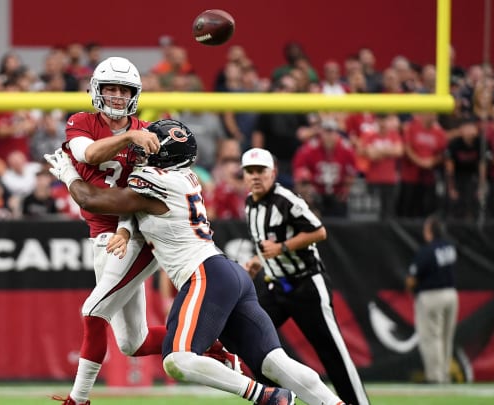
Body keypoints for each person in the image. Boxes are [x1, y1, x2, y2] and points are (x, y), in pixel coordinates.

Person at [45, 119, 346, 405]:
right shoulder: (185, 178)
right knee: (276, 363)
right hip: (228, 273)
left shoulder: (153, 181)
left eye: (151, 149)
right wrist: (125, 229)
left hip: (205, 276)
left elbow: (93, 201)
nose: (141, 153)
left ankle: (267, 397)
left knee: (177, 359)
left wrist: (69, 173)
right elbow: (135, 208)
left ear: (164, 157)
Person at [53, 57, 233, 405]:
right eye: (111, 88)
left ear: (135, 94)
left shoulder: (150, 132)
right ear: (97, 90)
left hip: (134, 235)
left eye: (125, 90)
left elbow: (144, 192)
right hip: (103, 236)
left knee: (93, 312)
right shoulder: (82, 122)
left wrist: (124, 228)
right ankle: (213, 345)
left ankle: (79, 399)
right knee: (131, 343)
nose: (118, 96)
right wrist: (129, 139)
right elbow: (89, 154)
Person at [241, 147, 370, 405]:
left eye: (261, 171)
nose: (255, 176)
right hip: (277, 288)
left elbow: (319, 232)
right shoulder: (250, 204)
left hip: (306, 285)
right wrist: (258, 260)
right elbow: (267, 241)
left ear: (273, 172)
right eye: (250, 171)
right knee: (248, 337)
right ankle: (274, 397)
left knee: (333, 355)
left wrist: (282, 248)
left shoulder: (286, 200)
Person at [405, 216, 458, 384]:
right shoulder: (450, 248)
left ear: (430, 232)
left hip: (431, 296)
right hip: (451, 294)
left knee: (431, 337)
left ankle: (435, 377)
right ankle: (444, 374)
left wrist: (409, 288)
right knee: (446, 337)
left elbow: (412, 279)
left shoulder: (426, 251)